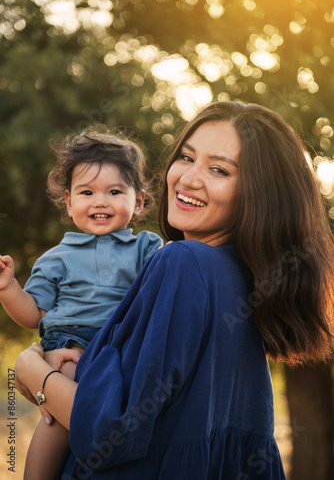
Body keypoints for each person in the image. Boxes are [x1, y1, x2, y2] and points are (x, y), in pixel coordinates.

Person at [14, 101, 334, 479]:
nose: (188, 178)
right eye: (186, 157)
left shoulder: (183, 263)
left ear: (257, 194)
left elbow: (112, 433)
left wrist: (34, 373)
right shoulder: (245, 281)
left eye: (218, 169)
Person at [0, 130, 162, 479]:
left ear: (138, 202)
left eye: (115, 192)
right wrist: (9, 287)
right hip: (70, 342)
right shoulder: (57, 258)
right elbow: (32, 314)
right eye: (87, 192)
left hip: (117, 344)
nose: (100, 201)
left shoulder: (146, 248)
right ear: (69, 201)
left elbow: (162, 288)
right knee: (61, 404)